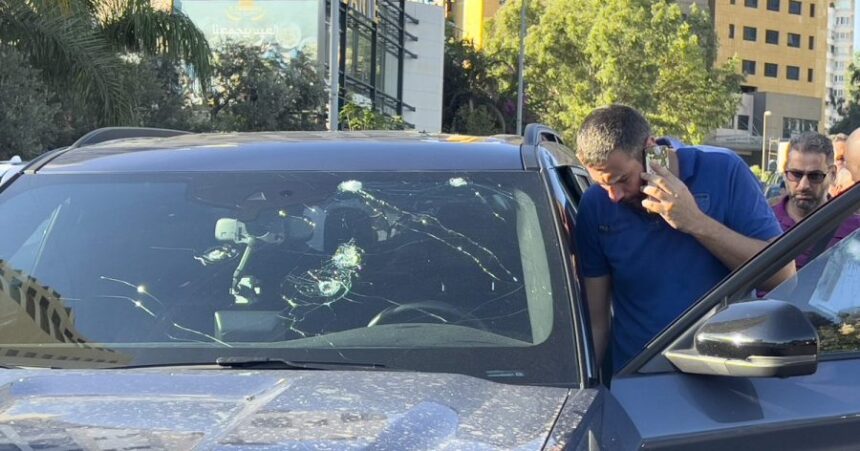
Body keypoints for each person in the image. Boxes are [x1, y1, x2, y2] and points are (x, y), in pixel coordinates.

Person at [573, 105, 794, 372]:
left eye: (622, 179)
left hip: (730, 377)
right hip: (638, 383)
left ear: (651, 149)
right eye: (603, 184)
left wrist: (695, 222)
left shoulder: (724, 171)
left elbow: (782, 274)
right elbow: (597, 323)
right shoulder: (595, 205)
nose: (614, 195)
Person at [772, 132, 859, 270]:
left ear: (833, 174)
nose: (803, 185)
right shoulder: (761, 223)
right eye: (796, 174)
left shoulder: (855, 230)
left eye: (815, 176)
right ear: (785, 172)